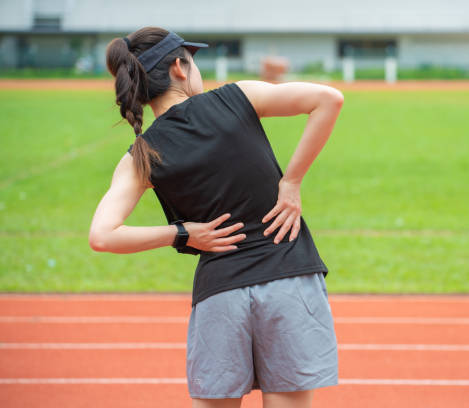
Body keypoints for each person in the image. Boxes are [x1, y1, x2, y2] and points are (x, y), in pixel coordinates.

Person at [88, 26, 344, 408]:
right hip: (288, 276)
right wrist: (291, 181)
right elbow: (329, 98)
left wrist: (181, 233)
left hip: (220, 293)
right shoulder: (236, 97)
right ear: (179, 66)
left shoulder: (140, 155)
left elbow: (102, 236)